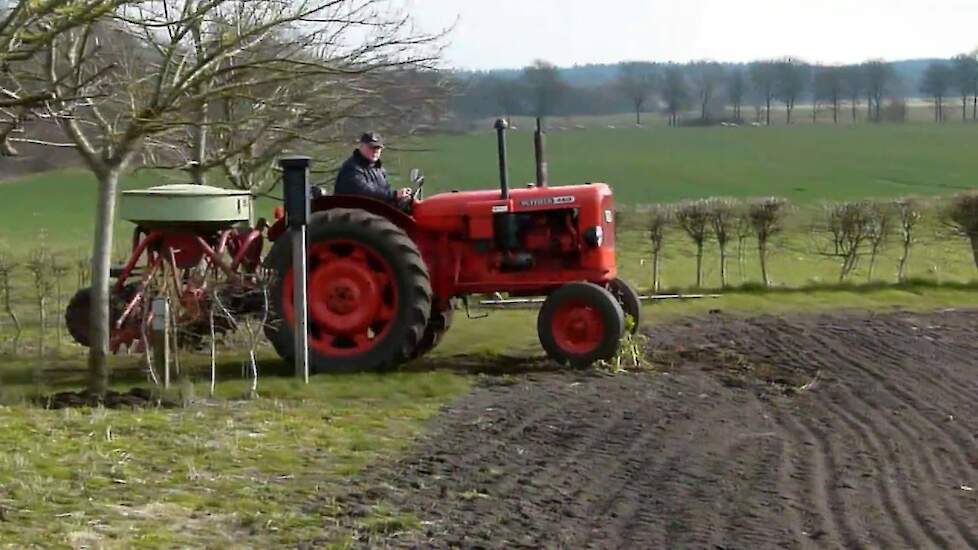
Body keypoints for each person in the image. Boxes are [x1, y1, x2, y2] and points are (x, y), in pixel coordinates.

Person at [333, 132, 412, 205]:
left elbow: (385, 190)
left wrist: (401, 196)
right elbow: (364, 191)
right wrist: (394, 194)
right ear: (361, 146)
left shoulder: (379, 169)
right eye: (371, 147)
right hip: (351, 212)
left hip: (373, 211)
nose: (375, 151)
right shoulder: (351, 168)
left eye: (378, 148)